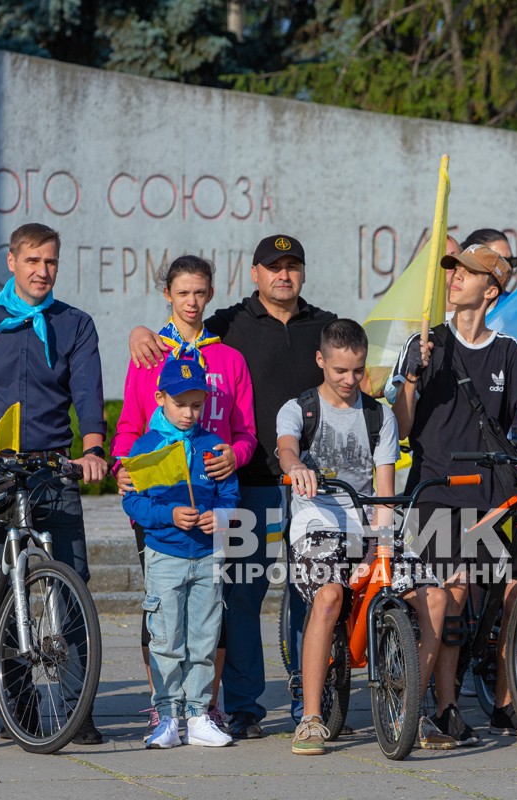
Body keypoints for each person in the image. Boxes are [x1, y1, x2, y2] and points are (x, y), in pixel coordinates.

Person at [129, 234, 335, 739]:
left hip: (314, 487)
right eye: (273, 266)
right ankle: (243, 706)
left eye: (292, 266)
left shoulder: (325, 326)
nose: (283, 274)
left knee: (313, 593)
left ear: (303, 272)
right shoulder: (229, 323)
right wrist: (139, 332)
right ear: (255, 274)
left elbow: (352, 373)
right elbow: (178, 330)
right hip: (255, 487)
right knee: (243, 595)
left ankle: (310, 698)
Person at [391, 244, 517, 744]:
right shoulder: (425, 343)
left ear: (491, 289)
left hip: (492, 493)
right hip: (437, 491)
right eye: (453, 271)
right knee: (453, 595)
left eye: (468, 273)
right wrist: (412, 380)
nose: (455, 278)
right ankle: (442, 709)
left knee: (514, 596)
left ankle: (507, 704)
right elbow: (399, 425)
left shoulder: (507, 349)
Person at [0, 223, 109, 744]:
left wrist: (92, 450)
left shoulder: (74, 325)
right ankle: (17, 710)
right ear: (11, 262)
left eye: (52, 262)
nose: (43, 271)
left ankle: (76, 710)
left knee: (72, 583)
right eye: (34, 261)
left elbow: (88, 394)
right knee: (0, 585)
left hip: (51, 470)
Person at [277, 319, 451, 755]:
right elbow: (285, 447)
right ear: (321, 361)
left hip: (366, 525)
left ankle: (413, 709)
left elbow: (385, 489)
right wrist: (296, 467)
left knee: (435, 597)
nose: (350, 380)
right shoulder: (299, 408)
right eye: (339, 371)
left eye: (357, 370)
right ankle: (311, 717)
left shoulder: (379, 415)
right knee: (331, 595)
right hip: (315, 525)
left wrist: (385, 541)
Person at [114, 255, 256, 734]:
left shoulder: (228, 358)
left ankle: (202, 708)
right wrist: (122, 468)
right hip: (160, 498)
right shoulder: (149, 354)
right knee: (162, 611)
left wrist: (234, 455)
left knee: (209, 610)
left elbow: (246, 431)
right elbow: (131, 424)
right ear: (167, 295)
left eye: (200, 293)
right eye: (183, 293)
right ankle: (166, 708)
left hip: (215, 497)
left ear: (210, 294)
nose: (192, 302)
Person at [122, 356, 239, 749]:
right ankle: (167, 717)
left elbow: (231, 496)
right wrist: (169, 514)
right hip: (165, 557)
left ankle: (199, 714)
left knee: (204, 639)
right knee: (167, 640)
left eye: (196, 404)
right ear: (160, 399)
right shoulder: (147, 447)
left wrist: (218, 516)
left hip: (207, 557)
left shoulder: (212, 447)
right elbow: (134, 504)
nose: (189, 413)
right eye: (179, 404)